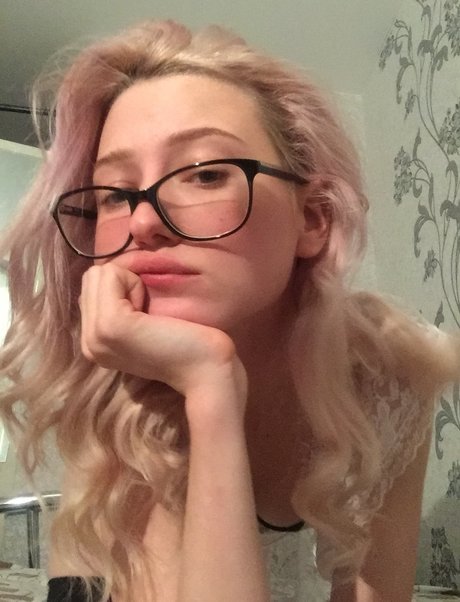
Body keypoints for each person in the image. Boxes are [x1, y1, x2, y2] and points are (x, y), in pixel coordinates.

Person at [0, 20, 459, 602]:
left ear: (313, 218)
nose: (142, 221)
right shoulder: (114, 387)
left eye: (205, 174)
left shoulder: (391, 369)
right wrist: (209, 384)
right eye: (114, 193)